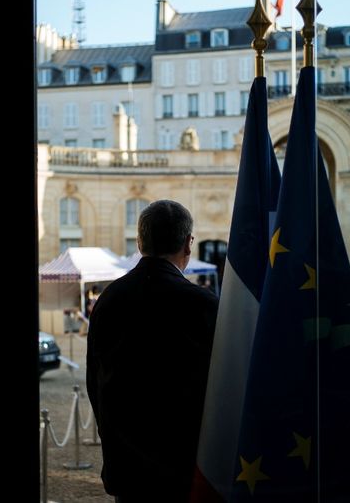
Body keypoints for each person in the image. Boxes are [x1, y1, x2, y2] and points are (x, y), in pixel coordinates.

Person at [86, 200, 219, 502]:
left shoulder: (107, 302)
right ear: (188, 244)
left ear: (140, 242)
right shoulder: (203, 306)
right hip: (186, 472)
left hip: (128, 473)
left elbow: (95, 383)